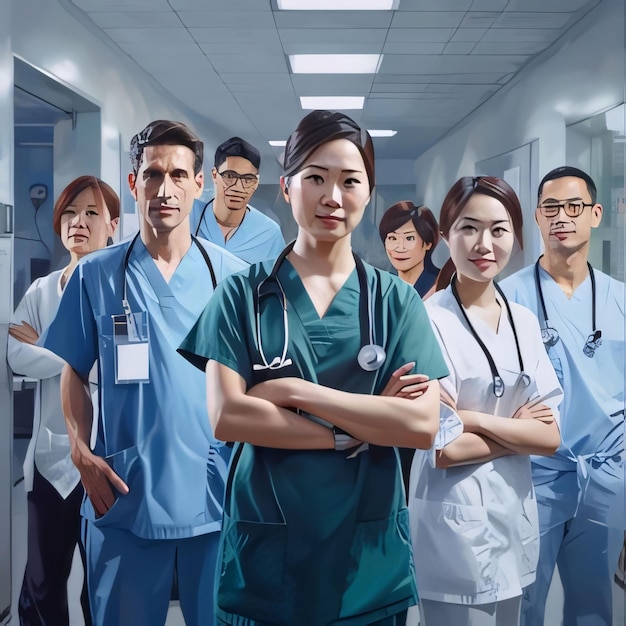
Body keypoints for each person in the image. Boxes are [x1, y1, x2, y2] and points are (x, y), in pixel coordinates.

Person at [179, 110, 448, 626]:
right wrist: (358, 429)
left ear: (369, 193)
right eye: (316, 178)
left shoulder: (395, 303)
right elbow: (229, 417)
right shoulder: (241, 293)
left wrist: (296, 390)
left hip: (364, 559)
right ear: (286, 187)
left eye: (350, 180)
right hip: (265, 549)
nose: (333, 196)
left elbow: (420, 425)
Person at [40, 120, 247, 626]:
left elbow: (255, 385)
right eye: (152, 174)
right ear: (134, 184)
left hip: (213, 495)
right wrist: (79, 448)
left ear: (201, 185)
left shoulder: (232, 277)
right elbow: (74, 369)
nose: (165, 189)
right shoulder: (95, 274)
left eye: (179, 174)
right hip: (125, 497)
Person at [408, 176, 562, 626]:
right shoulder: (426, 319)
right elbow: (445, 448)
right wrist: (520, 434)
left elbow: (551, 435)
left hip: (512, 518)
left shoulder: (524, 320)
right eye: (468, 228)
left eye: (499, 229)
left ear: (516, 236)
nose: (484, 243)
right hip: (450, 527)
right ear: (445, 237)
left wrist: (469, 417)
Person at [501, 166, 625, 625]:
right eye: (551, 208)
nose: (562, 217)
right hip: (533, 476)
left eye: (574, 207)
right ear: (536, 217)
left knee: (595, 605)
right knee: (522, 602)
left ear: (595, 214)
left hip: (607, 478)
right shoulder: (506, 301)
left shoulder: (620, 300)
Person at [8, 175, 119, 626]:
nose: (79, 222)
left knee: (104, 584)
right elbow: (16, 355)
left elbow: (121, 366)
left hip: (110, 458)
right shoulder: (41, 291)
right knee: (41, 585)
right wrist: (75, 354)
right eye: (70, 213)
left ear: (112, 224)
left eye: (92, 213)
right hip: (50, 460)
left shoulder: (125, 288)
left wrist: (48, 347)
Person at [191, 135, 285, 263]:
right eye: (229, 176)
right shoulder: (188, 216)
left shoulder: (268, 234)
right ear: (214, 175)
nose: (237, 187)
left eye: (247, 179)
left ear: (257, 182)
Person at [378, 200, 440, 297]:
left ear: (427, 244)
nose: (400, 247)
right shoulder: (381, 287)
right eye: (393, 238)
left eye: (409, 238)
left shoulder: (439, 287)